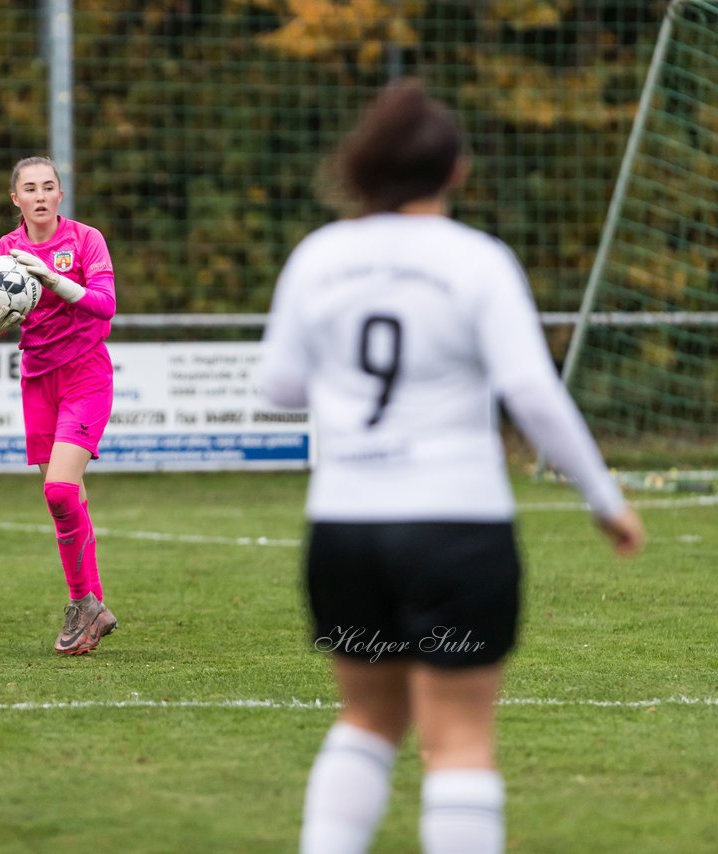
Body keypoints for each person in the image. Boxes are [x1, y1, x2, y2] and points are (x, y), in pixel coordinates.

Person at [258, 80, 645, 854]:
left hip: (346, 533)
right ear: (456, 171)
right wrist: (604, 499)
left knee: (367, 721)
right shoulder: (479, 262)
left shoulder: (319, 256)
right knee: (459, 739)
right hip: (455, 531)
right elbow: (531, 392)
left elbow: (278, 389)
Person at [0, 155, 119, 655]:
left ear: (60, 195)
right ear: (16, 199)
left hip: (85, 377)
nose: (39, 195)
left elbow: (104, 303)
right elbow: (4, 310)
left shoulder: (84, 240)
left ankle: (83, 602)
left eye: (48, 186)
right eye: (29, 188)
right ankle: (90, 607)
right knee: (67, 502)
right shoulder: (4, 250)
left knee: (60, 491)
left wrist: (55, 279)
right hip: (37, 380)